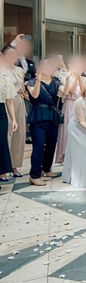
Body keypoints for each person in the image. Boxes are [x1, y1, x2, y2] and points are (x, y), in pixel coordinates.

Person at [26, 59, 62, 186]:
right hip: (38, 116)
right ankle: (34, 175)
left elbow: (65, 91)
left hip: (52, 115)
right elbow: (35, 95)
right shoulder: (31, 82)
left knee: (52, 144)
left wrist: (69, 77)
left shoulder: (56, 82)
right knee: (39, 145)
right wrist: (38, 80)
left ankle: (46, 169)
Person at [55, 57, 85, 164]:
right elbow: (71, 90)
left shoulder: (82, 78)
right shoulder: (65, 76)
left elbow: (84, 92)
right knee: (67, 131)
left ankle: (77, 156)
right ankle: (65, 155)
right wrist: (75, 77)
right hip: (69, 105)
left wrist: (79, 77)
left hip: (80, 106)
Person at [2, 45, 26, 177]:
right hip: (6, 102)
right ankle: (3, 168)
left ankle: (15, 166)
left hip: (19, 102)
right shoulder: (2, 70)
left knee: (19, 135)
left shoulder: (19, 70)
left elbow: (22, 89)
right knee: (6, 135)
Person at [0, 51, 18, 184]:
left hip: (1, 111)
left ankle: (2, 172)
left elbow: (9, 101)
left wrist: (14, 119)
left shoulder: (5, 76)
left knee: (2, 141)